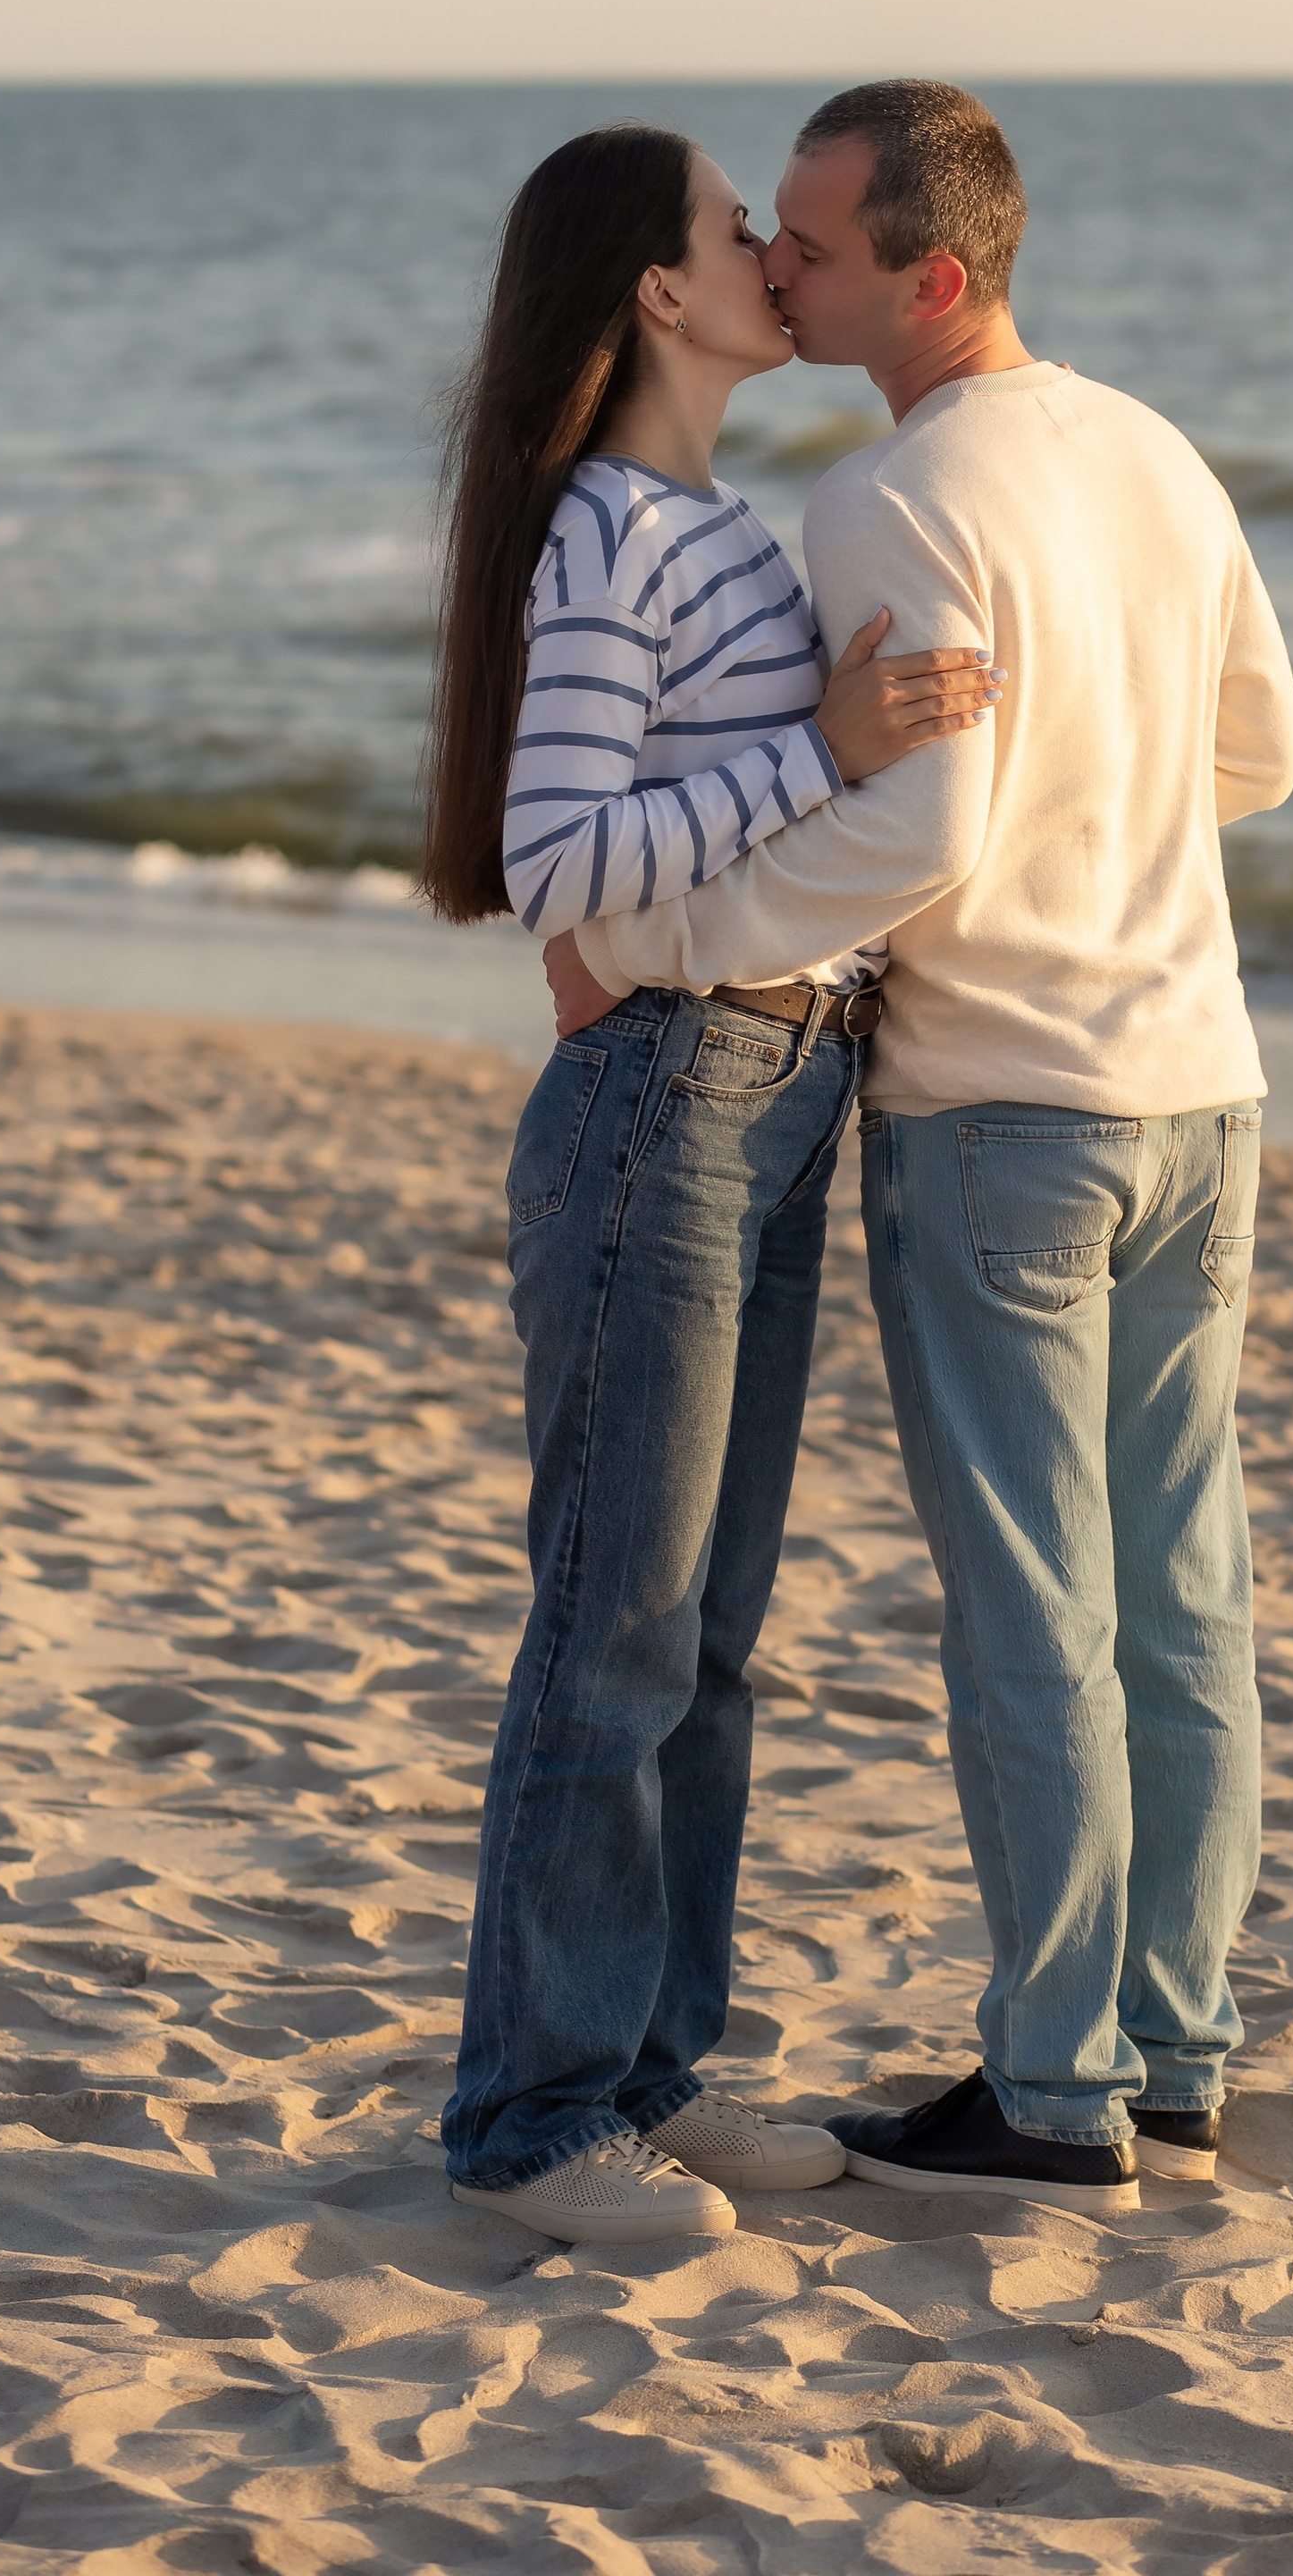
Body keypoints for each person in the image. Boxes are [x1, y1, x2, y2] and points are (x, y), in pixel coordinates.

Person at [549, 81, 1293, 2220]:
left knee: (1028, 1611)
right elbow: (1255, 750)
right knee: (1183, 1592)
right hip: (1201, 1086)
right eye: (766, 236)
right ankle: (1176, 2057)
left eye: (808, 244)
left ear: (929, 276)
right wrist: (1103, 815)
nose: (775, 272)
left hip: (1003, 1112)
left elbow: (914, 840)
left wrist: (652, 933)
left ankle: (1055, 2094)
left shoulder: (887, 496)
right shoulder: (1153, 451)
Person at [422, 122, 1003, 2243]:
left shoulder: (707, 524)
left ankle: (653, 2077)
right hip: (666, 1094)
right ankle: (532, 2123)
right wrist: (827, 759)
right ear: (657, 295)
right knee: (616, 1630)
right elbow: (563, 868)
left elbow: (669, 859)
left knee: (711, 1638)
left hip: (772, 1086)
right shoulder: (610, 535)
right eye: (723, 227)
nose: (769, 248)